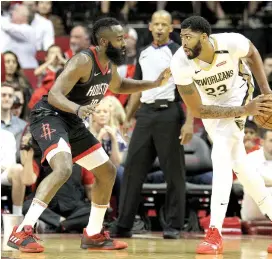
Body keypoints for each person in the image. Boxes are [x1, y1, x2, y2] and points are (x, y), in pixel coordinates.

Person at [7, 17, 171, 253]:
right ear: (104, 41)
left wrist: (153, 84)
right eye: (119, 39)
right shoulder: (84, 60)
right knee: (63, 168)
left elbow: (120, 86)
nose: (124, 43)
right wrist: (78, 108)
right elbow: (54, 95)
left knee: (107, 171)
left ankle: (93, 234)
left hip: (72, 121)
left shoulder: (109, 63)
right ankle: (22, 231)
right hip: (49, 116)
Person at [170, 16, 272, 254]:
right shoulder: (180, 62)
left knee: (220, 152)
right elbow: (197, 109)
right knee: (239, 165)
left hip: (239, 92)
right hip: (211, 106)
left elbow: (253, 54)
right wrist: (243, 111)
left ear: (205, 37)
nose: (184, 43)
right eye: (181, 38)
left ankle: (214, 232)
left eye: (188, 37)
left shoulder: (231, 42)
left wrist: (266, 91)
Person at [110, 10, 193, 240]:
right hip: (145, 115)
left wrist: (189, 122)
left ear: (170, 28)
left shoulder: (178, 52)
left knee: (173, 172)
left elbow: (190, 90)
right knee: (132, 170)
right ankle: (124, 223)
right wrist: (127, 117)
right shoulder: (144, 53)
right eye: (155, 23)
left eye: (163, 24)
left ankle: (175, 224)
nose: (159, 28)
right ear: (149, 26)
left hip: (169, 113)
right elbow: (137, 88)